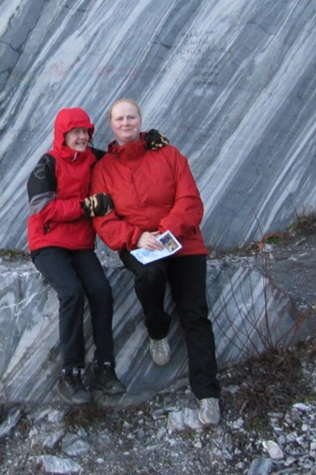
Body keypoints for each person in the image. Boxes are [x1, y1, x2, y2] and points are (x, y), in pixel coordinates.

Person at [90, 98, 221, 425]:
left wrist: (166, 232)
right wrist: (136, 237)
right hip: (139, 244)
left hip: (182, 242)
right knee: (148, 275)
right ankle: (157, 328)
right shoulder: (104, 169)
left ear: (140, 120)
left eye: (130, 117)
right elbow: (104, 219)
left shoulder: (169, 154)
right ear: (112, 124)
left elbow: (190, 199)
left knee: (195, 314)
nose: (125, 123)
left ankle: (207, 393)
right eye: (119, 119)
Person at [26, 107, 127, 405]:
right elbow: (41, 207)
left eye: (85, 132)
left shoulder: (94, 159)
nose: (82, 137)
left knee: (101, 291)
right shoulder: (47, 163)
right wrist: (85, 207)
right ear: (63, 134)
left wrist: (148, 142)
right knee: (71, 292)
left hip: (81, 244)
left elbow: (123, 155)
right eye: (76, 132)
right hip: (47, 242)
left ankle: (104, 368)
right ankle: (70, 373)